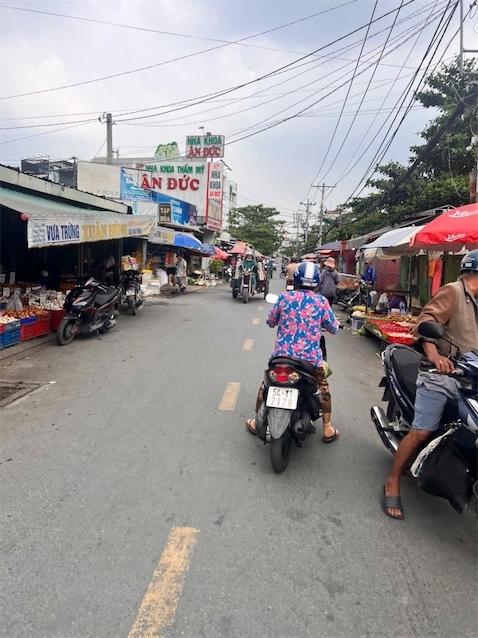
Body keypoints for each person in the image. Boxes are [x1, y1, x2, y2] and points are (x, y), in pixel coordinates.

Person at [382, 250, 478, 520]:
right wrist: (435, 355)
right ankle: (392, 481)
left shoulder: (476, 302)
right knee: (421, 432)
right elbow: (426, 322)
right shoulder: (453, 292)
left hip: (471, 380)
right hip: (442, 376)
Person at [246, 261, 340, 443]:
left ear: (296, 279)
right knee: (323, 388)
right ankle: (327, 428)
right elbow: (334, 328)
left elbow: (271, 321)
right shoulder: (321, 302)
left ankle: (254, 419)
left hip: (281, 358)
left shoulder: (284, 298)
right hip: (310, 361)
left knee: (265, 386)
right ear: (316, 281)